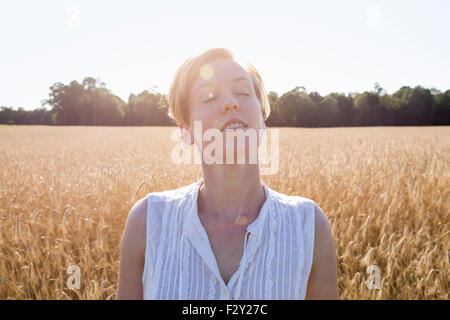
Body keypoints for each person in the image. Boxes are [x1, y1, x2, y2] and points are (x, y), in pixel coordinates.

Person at [116, 48, 338, 300]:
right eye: (209, 96)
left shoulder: (308, 225)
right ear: (186, 131)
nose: (231, 102)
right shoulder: (148, 221)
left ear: (263, 122)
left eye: (243, 92)